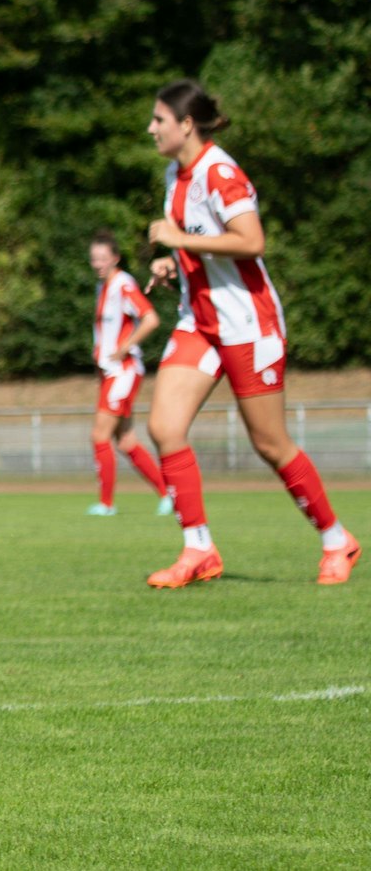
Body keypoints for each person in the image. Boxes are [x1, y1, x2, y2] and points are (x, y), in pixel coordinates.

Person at [140, 80, 358, 588]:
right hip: (200, 321)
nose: (151, 129)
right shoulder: (175, 173)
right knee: (164, 427)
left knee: (270, 443)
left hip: (247, 325)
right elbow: (200, 242)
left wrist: (177, 238)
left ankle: (336, 540)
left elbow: (252, 241)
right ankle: (199, 549)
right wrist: (173, 262)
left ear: (186, 125)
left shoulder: (220, 172)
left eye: (159, 120)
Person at [84, 230, 170, 516]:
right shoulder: (102, 287)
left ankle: (106, 504)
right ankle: (167, 493)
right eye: (94, 259)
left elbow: (151, 318)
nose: (98, 264)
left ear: (115, 258)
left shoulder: (123, 284)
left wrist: (125, 347)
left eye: (103, 258)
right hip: (109, 373)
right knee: (125, 441)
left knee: (100, 435)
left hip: (123, 371)